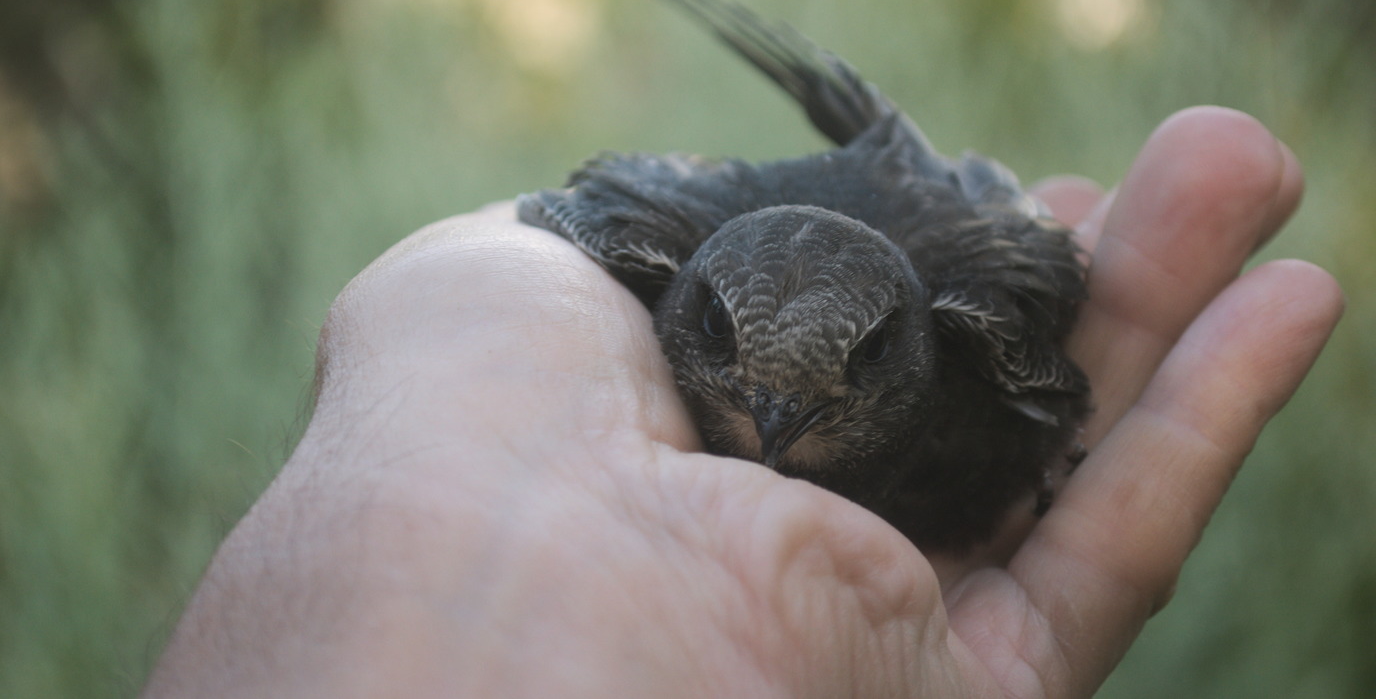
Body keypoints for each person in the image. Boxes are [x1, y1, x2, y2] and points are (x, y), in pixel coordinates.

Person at [143, 108, 1342, 699]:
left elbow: (1030, 363)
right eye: (726, 350)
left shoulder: (974, 312)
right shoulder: (646, 251)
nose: (768, 412)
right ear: (683, 302)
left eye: (848, 372)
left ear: (906, 349)